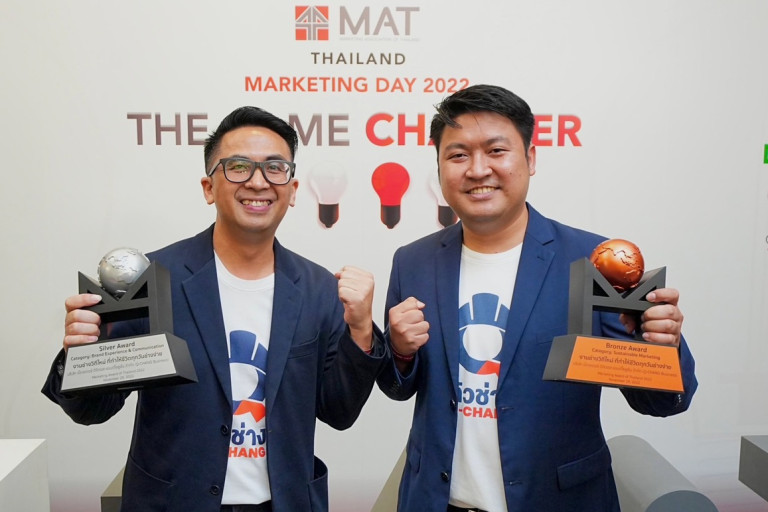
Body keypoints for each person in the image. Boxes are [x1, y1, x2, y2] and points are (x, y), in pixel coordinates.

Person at [43, 106, 387, 512]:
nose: (258, 181)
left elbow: (339, 411)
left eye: (275, 168)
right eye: (238, 167)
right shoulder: (153, 280)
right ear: (208, 187)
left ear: (293, 190)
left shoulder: (319, 289)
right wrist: (81, 354)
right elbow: (90, 410)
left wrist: (361, 331)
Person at [376, 84, 698, 512]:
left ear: (530, 158)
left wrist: (662, 346)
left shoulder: (594, 261)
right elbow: (398, 387)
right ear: (439, 167)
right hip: (439, 502)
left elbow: (660, 402)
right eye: (458, 155)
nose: (478, 170)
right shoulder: (413, 261)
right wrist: (399, 352)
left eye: (496, 151)